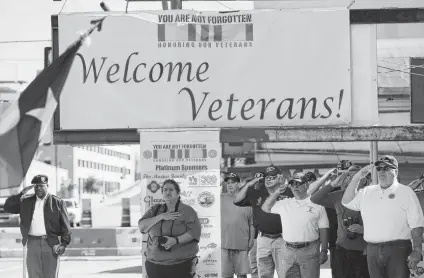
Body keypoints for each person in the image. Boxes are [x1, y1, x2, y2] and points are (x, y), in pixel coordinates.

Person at [342, 155, 424, 278]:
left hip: (398, 249)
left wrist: (417, 250)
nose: (381, 172)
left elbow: (416, 224)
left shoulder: (406, 192)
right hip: (372, 250)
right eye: (379, 169)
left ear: (395, 171)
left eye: (386, 168)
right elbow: (346, 201)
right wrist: (357, 177)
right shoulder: (367, 191)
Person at [262, 172, 329, 278]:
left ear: (306, 185)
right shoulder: (285, 203)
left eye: (298, 184)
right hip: (288, 251)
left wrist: (324, 250)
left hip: (309, 250)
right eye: (292, 184)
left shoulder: (317, 204)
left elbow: (324, 229)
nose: (295, 187)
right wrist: (277, 192)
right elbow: (265, 208)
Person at [3, 174, 71, 278]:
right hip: (32, 243)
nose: (38, 188)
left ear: (47, 185)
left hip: (50, 244)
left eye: (41, 185)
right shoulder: (25, 201)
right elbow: (7, 207)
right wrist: (20, 194)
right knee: (33, 275)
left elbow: (65, 226)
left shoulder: (57, 202)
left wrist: (64, 244)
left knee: (50, 275)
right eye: (36, 186)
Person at [234, 166, 295, 278]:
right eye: (266, 177)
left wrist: (283, 186)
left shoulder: (289, 192)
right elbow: (237, 200)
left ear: (279, 177)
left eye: (272, 177)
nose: (268, 179)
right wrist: (249, 184)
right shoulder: (257, 192)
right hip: (263, 240)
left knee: (285, 274)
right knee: (264, 275)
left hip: (282, 240)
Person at [311, 165, 370, 278]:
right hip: (342, 249)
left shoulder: (369, 196)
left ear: (364, 180)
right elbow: (314, 198)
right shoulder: (338, 196)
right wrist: (332, 184)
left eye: (355, 177)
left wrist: (363, 229)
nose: (350, 180)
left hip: (363, 250)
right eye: (348, 177)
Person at [138, 179, 201, 278]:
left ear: (178, 193)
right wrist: (161, 216)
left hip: (182, 266)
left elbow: (194, 232)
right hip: (155, 266)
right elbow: (142, 227)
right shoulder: (155, 210)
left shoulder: (187, 210)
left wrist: (175, 240)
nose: (167, 192)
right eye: (165, 190)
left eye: (171, 189)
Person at [221, 173, 255, 278]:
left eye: (233, 182)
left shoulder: (247, 200)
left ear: (239, 184)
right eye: (228, 183)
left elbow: (252, 223)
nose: (230, 185)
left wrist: (251, 240)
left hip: (241, 244)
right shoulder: (220, 198)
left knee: (242, 275)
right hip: (224, 244)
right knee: (226, 275)